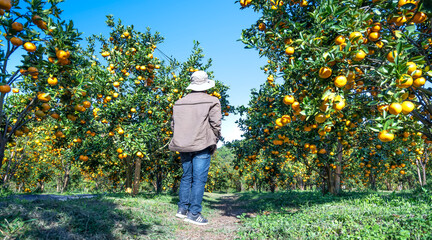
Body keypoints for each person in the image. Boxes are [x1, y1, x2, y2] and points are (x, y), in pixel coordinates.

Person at [169, 70, 222, 225]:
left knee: (186, 176)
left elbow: (174, 125)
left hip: (183, 144)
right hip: (202, 143)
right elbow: (216, 124)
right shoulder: (212, 101)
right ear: (206, 85)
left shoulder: (179, 102)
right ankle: (194, 213)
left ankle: (182, 209)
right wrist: (214, 139)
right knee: (199, 179)